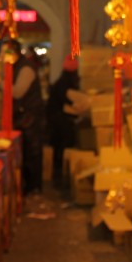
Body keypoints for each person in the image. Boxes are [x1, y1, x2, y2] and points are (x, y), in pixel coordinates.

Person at [4, 40, 46, 195]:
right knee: (25, 154)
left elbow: (17, 92)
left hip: (30, 118)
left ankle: (33, 189)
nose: (2, 56)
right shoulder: (15, 67)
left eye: (4, 52)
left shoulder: (26, 68)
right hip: (22, 117)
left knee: (31, 154)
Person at [48, 55, 81, 189]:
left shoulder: (61, 81)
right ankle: (60, 173)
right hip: (60, 119)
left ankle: (59, 171)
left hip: (57, 118)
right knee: (62, 146)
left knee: (59, 146)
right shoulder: (66, 84)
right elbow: (66, 100)